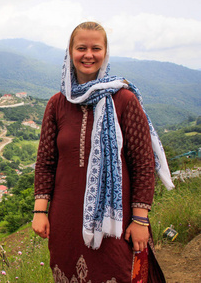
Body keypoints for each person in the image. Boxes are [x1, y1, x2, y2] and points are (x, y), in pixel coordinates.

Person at [32, 21, 174, 283]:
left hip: (115, 222)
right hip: (65, 218)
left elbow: (142, 163)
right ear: (70, 52)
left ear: (105, 53)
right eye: (81, 47)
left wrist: (140, 220)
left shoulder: (124, 100)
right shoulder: (58, 104)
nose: (88, 54)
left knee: (117, 272)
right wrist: (40, 211)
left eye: (96, 48)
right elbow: (46, 162)